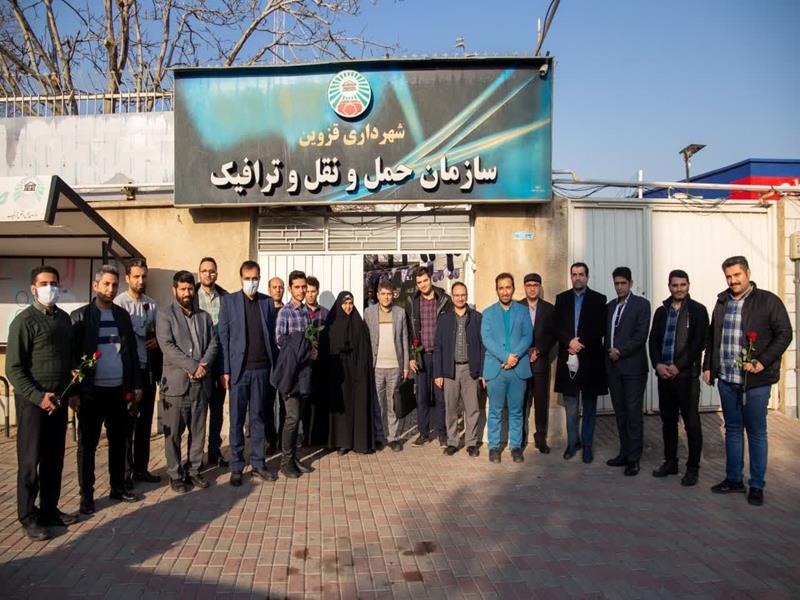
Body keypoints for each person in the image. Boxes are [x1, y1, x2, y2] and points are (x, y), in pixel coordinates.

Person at [703, 256, 792, 506]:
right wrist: (708, 366)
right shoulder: (722, 301)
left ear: (748, 273)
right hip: (727, 379)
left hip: (756, 380)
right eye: (728, 277)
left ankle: (757, 485)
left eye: (737, 275)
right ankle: (734, 479)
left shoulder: (768, 301)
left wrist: (763, 361)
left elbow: (785, 333)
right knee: (732, 429)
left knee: (756, 432)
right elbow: (713, 336)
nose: (733, 281)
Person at [6, 266, 79, 541]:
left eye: (54, 283)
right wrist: (38, 396)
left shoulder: (63, 319)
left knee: (54, 460)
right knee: (30, 461)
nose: (50, 288)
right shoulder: (24, 321)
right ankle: (28, 516)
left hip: (58, 400)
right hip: (32, 403)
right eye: (45, 283)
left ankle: (49, 510)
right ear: (33, 288)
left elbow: (68, 359)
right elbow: (13, 368)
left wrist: (72, 390)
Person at [71, 265, 143, 514]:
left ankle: (118, 486)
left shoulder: (122, 316)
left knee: (119, 442)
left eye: (114, 285)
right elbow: (73, 358)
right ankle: (86, 495)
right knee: (87, 445)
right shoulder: (81, 317)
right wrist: (75, 392)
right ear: (95, 286)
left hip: (118, 391)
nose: (110, 289)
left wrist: (136, 385)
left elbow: (131, 353)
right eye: (106, 284)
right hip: (91, 393)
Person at [157, 271, 218, 493]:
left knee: (198, 431)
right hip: (176, 385)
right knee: (173, 433)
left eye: (190, 289)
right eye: (182, 289)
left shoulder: (204, 316)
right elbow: (167, 346)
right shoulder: (165, 315)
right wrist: (192, 366)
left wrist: (203, 366)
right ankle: (175, 474)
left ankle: (194, 470)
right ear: (174, 290)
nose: (187, 293)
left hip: (200, 384)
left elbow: (213, 343)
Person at [219, 260, 277, 486]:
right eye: (247, 278)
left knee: (258, 418)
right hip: (239, 371)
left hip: (262, 370)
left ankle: (258, 463)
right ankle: (236, 466)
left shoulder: (266, 302)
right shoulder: (229, 302)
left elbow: (272, 336)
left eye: (255, 278)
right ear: (241, 278)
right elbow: (224, 338)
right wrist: (225, 369)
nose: (251, 282)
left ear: (259, 279)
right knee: (236, 419)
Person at [648, 269, 709, 486]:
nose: (679, 289)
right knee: (668, 421)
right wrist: (658, 364)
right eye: (675, 285)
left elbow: (698, 343)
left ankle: (692, 468)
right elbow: (653, 341)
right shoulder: (661, 311)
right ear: (669, 287)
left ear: (688, 285)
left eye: (683, 285)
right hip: (665, 376)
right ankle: (670, 462)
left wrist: (678, 366)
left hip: (686, 377)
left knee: (691, 423)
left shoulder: (698, 310)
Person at [114, 258, 161, 488]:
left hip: (147, 370)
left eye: (144, 276)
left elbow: (158, 331)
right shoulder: (119, 303)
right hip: (127, 372)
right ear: (127, 278)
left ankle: (142, 468)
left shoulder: (151, 304)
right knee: (127, 424)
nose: (141, 280)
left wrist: (156, 340)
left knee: (144, 422)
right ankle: (125, 473)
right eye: (136, 276)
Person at [554, 262, 607, 464]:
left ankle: (587, 445)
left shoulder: (599, 299)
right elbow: (556, 326)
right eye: (574, 274)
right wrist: (569, 342)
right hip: (568, 358)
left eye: (581, 274)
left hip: (590, 359)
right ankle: (572, 443)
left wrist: (579, 342)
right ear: (571, 277)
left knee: (590, 405)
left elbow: (600, 328)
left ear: (587, 277)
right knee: (571, 405)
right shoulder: (562, 299)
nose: (577, 278)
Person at [480, 273, 533, 464]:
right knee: (495, 411)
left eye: (508, 287)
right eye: (501, 288)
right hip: (496, 369)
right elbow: (487, 339)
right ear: (496, 290)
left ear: (513, 289)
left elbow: (528, 336)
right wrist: (505, 357)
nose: (505, 292)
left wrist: (514, 357)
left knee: (517, 411)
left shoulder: (523, 311)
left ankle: (516, 447)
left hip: (518, 369)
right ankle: (494, 447)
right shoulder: (488, 313)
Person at [604, 267, 651, 476]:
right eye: (616, 283)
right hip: (614, 370)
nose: (620, 287)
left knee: (633, 414)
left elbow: (641, 335)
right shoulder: (610, 306)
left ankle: (634, 459)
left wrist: (620, 351)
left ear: (630, 283)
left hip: (633, 369)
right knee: (620, 413)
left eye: (623, 283)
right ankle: (623, 453)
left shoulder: (641, 305)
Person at [273, 270, 317, 477]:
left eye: (303, 287)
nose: (301, 291)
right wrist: (301, 345)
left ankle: (293, 457)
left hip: (304, 373)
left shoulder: (306, 312)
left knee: (298, 416)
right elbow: (279, 339)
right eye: (297, 287)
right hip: (290, 372)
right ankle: (285, 462)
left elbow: (310, 337)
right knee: (291, 417)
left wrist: (313, 347)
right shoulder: (286, 312)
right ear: (290, 289)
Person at [434, 282, 484, 457]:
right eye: (456, 295)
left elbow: (482, 346)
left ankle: (471, 443)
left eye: (463, 295)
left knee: (472, 408)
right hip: (450, 370)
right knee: (451, 408)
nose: (460, 298)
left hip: (470, 369)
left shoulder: (477, 318)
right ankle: (453, 441)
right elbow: (438, 347)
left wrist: (481, 372)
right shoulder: (444, 319)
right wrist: (438, 373)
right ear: (452, 297)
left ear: (467, 296)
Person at [325, 291, 377, 455]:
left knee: (355, 405)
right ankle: (342, 442)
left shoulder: (359, 324)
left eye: (350, 303)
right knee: (342, 407)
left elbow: (364, 349)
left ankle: (356, 441)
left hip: (355, 373)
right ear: (339, 305)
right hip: (338, 373)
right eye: (345, 304)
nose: (348, 307)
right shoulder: (332, 323)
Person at [406, 266, 452, 446]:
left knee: (441, 397)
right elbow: (410, 332)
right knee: (422, 397)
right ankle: (423, 433)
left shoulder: (444, 300)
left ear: (431, 279)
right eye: (419, 282)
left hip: (440, 355)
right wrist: (412, 356)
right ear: (416, 285)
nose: (423, 285)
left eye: (425, 280)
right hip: (421, 355)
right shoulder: (412, 301)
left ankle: (442, 433)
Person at [364, 279, 409, 452]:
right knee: (378, 404)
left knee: (393, 404)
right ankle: (378, 436)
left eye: (389, 294)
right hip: (376, 366)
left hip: (395, 366)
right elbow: (366, 340)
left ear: (393, 295)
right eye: (383, 294)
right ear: (377, 295)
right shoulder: (369, 312)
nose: (386, 297)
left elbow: (404, 340)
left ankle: (393, 437)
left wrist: (405, 366)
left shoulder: (400, 313)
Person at [194, 256, 229, 468]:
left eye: (212, 270)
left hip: (220, 361)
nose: (208, 274)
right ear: (199, 273)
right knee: (199, 411)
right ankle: (196, 456)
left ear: (217, 273)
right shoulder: (191, 296)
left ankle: (215, 451)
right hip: (199, 361)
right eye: (205, 270)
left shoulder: (225, 297)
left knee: (217, 409)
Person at [518, 273, 557, 454]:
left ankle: (540, 437)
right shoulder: (517, 307)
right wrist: (526, 351)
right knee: (521, 401)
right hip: (521, 363)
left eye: (535, 285)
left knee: (541, 402)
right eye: (529, 285)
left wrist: (539, 350)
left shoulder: (549, 309)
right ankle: (520, 437)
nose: (532, 288)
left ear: (540, 287)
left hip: (541, 363)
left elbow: (553, 335)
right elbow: (513, 333)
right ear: (524, 287)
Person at [302, 276, 329, 446]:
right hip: (305, 363)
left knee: (320, 399)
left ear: (317, 292)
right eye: (308, 291)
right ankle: (306, 435)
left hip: (321, 363)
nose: (310, 295)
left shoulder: (325, 313)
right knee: (305, 401)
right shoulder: (300, 312)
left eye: (313, 291)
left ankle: (320, 435)